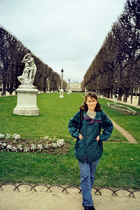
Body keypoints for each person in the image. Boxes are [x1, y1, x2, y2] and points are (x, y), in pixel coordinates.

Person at [68, 92, 113, 210]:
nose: (91, 103)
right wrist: (76, 134)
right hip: (82, 149)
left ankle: (85, 196)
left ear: (96, 102)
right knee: (85, 176)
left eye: (93, 101)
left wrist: (102, 137)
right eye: (89, 101)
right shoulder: (81, 114)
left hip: (95, 149)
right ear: (86, 102)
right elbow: (72, 124)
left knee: (91, 176)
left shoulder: (101, 115)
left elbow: (109, 126)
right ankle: (88, 204)